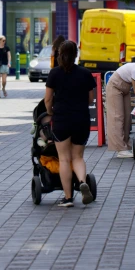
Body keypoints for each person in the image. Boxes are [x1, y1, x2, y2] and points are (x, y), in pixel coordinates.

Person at [43, 40, 96, 207]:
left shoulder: (54, 73)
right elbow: (91, 99)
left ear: (60, 54)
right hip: (81, 118)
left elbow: (47, 99)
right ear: (76, 54)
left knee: (64, 159)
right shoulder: (85, 73)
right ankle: (81, 181)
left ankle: (68, 198)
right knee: (78, 157)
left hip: (61, 120)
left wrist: (50, 111)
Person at [105, 61, 135, 157]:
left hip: (125, 87)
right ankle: (120, 149)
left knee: (127, 116)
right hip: (115, 86)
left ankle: (126, 144)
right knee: (117, 116)